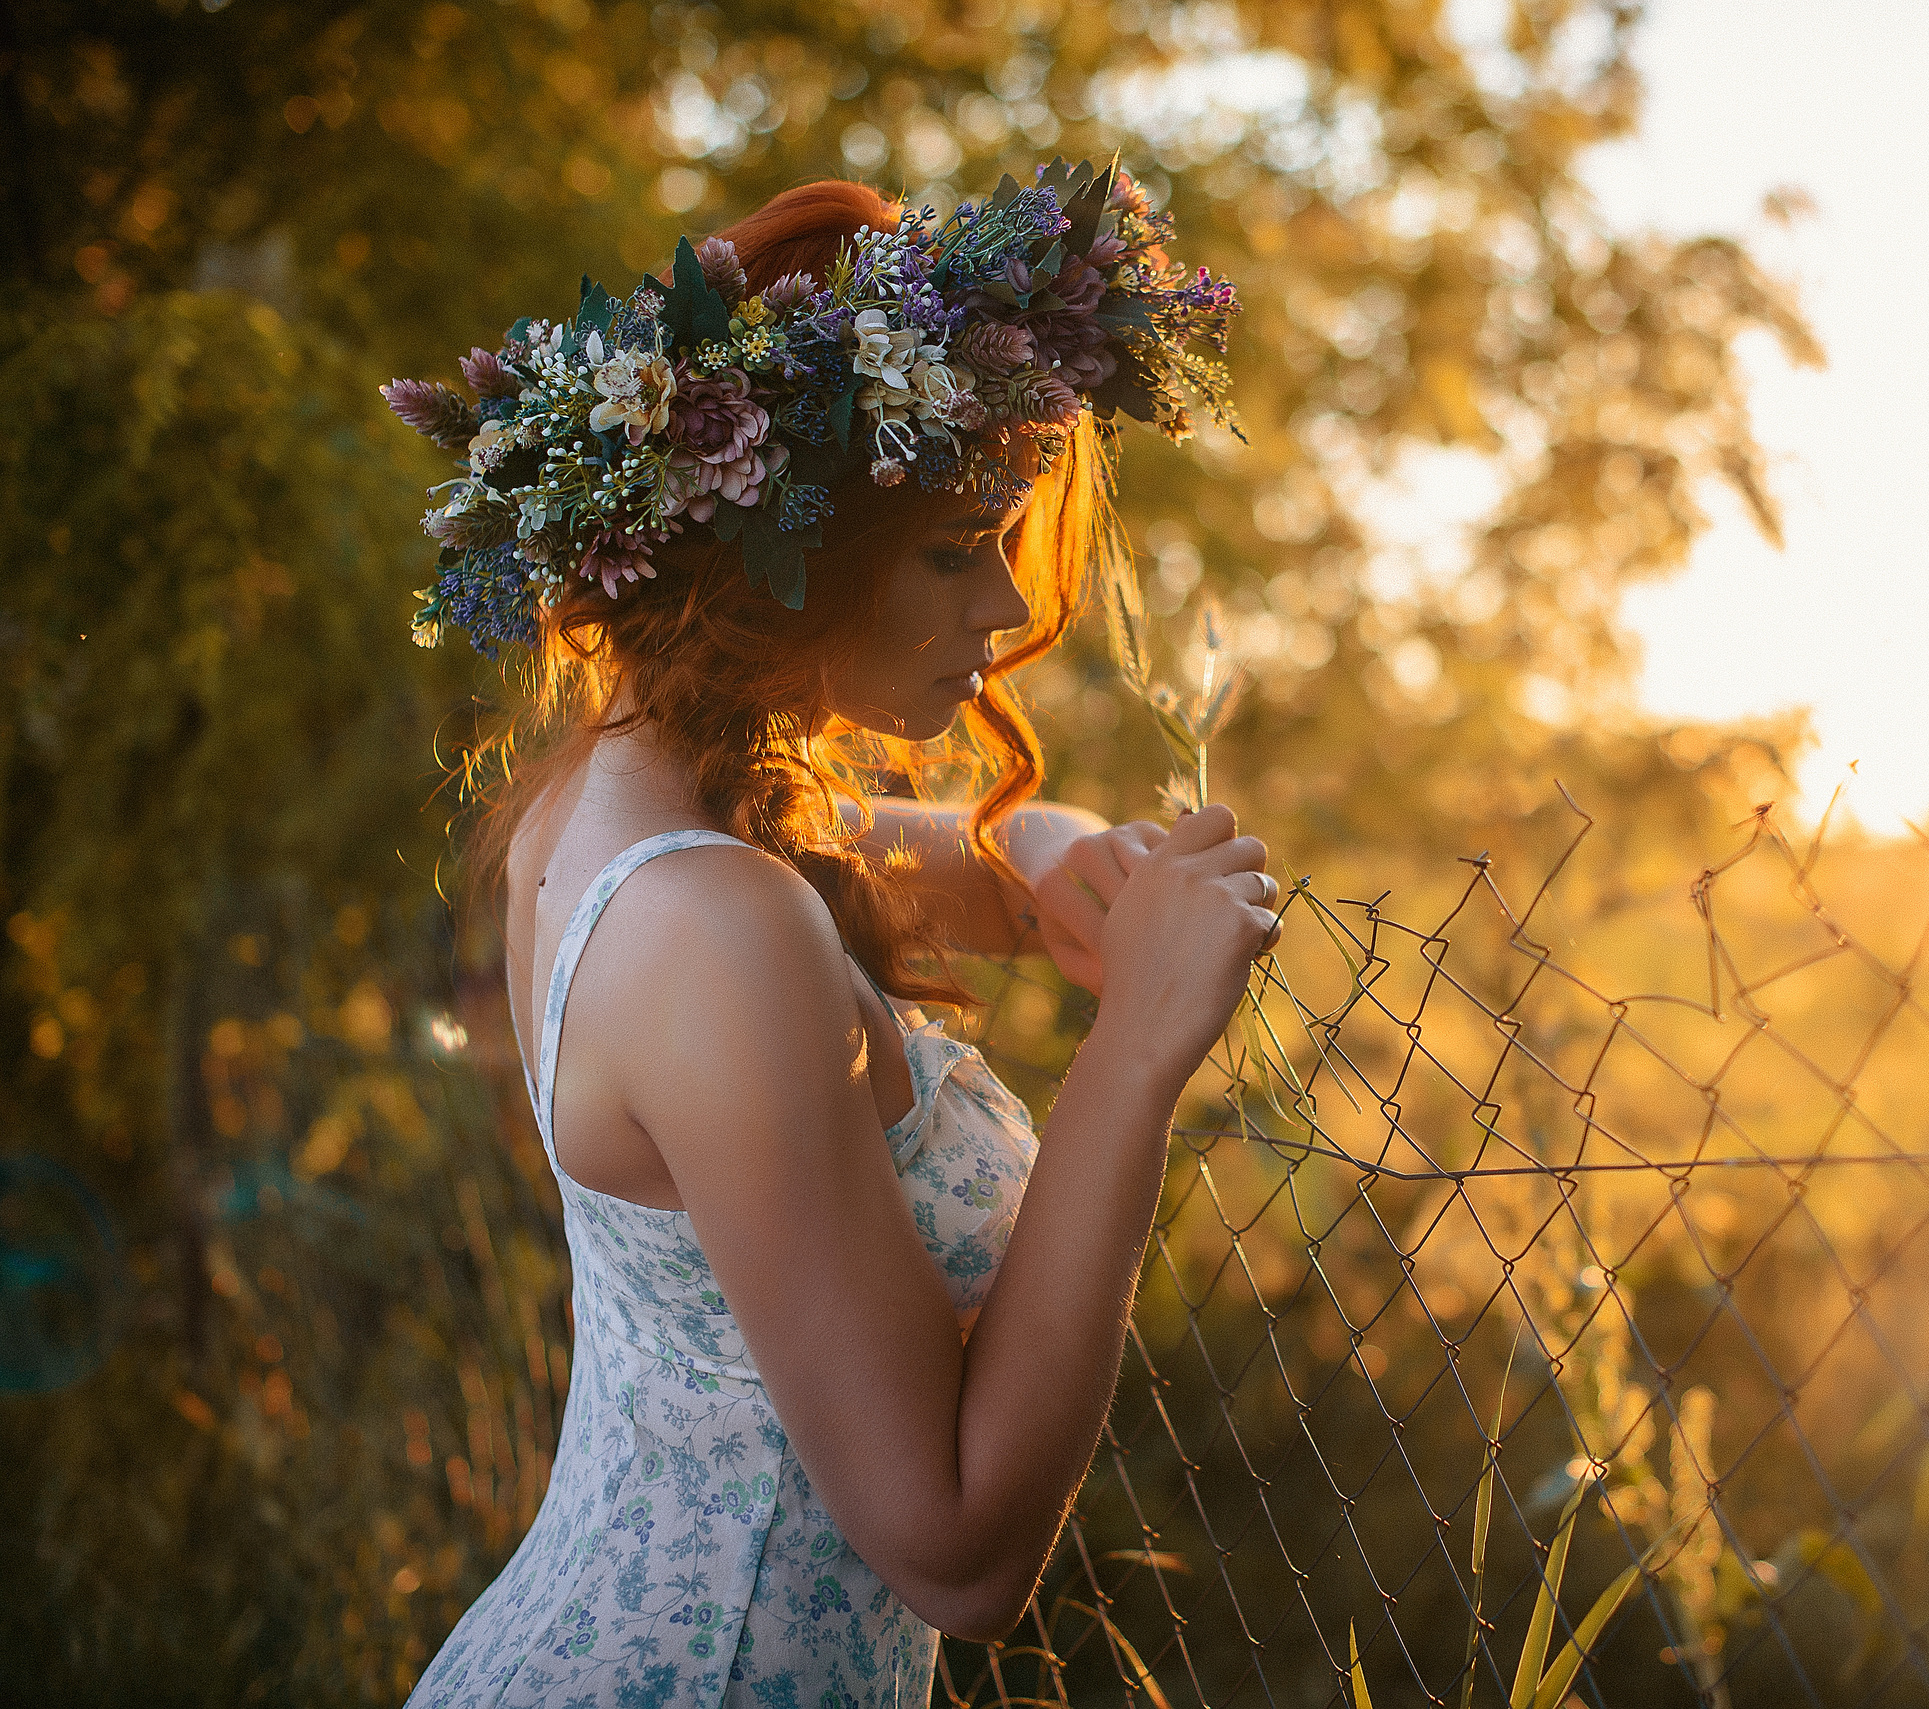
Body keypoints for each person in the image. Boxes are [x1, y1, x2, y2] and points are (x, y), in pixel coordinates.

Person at [389, 173, 1275, 1704]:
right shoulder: (714, 928)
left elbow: (973, 871)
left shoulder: (637, 809)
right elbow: (956, 1552)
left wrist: (1067, 852)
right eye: (953, 546)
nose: (1006, 602)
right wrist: (1134, 1058)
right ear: (782, 547)